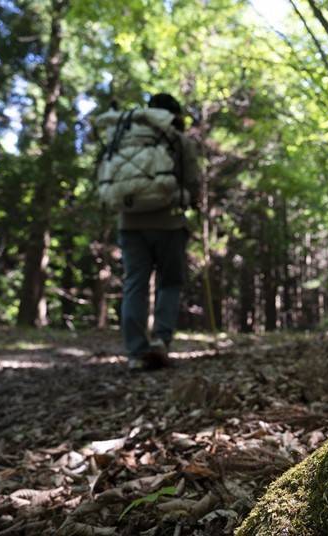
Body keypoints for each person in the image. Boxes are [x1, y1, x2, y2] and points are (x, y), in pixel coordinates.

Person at [114, 93, 200, 370]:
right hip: (168, 223)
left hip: (129, 222)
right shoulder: (178, 140)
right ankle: (161, 340)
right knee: (169, 283)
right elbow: (192, 180)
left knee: (135, 284)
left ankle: (136, 352)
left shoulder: (126, 135)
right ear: (174, 114)